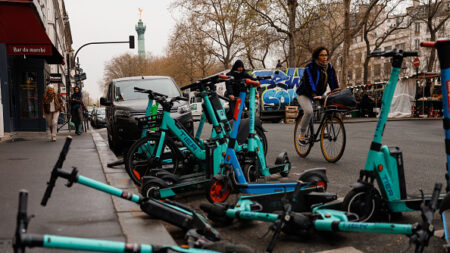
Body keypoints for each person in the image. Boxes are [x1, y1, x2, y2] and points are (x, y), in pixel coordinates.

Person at [296, 46, 339, 145]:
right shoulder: (310, 67)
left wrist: (336, 93)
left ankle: (324, 130)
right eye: (322, 55)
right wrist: (314, 94)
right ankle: (302, 135)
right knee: (309, 111)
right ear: (317, 56)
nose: (325, 57)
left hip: (319, 94)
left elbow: (333, 83)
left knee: (328, 107)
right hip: (304, 93)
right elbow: (309, 82)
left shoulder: (330, 67)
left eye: (326, 55)